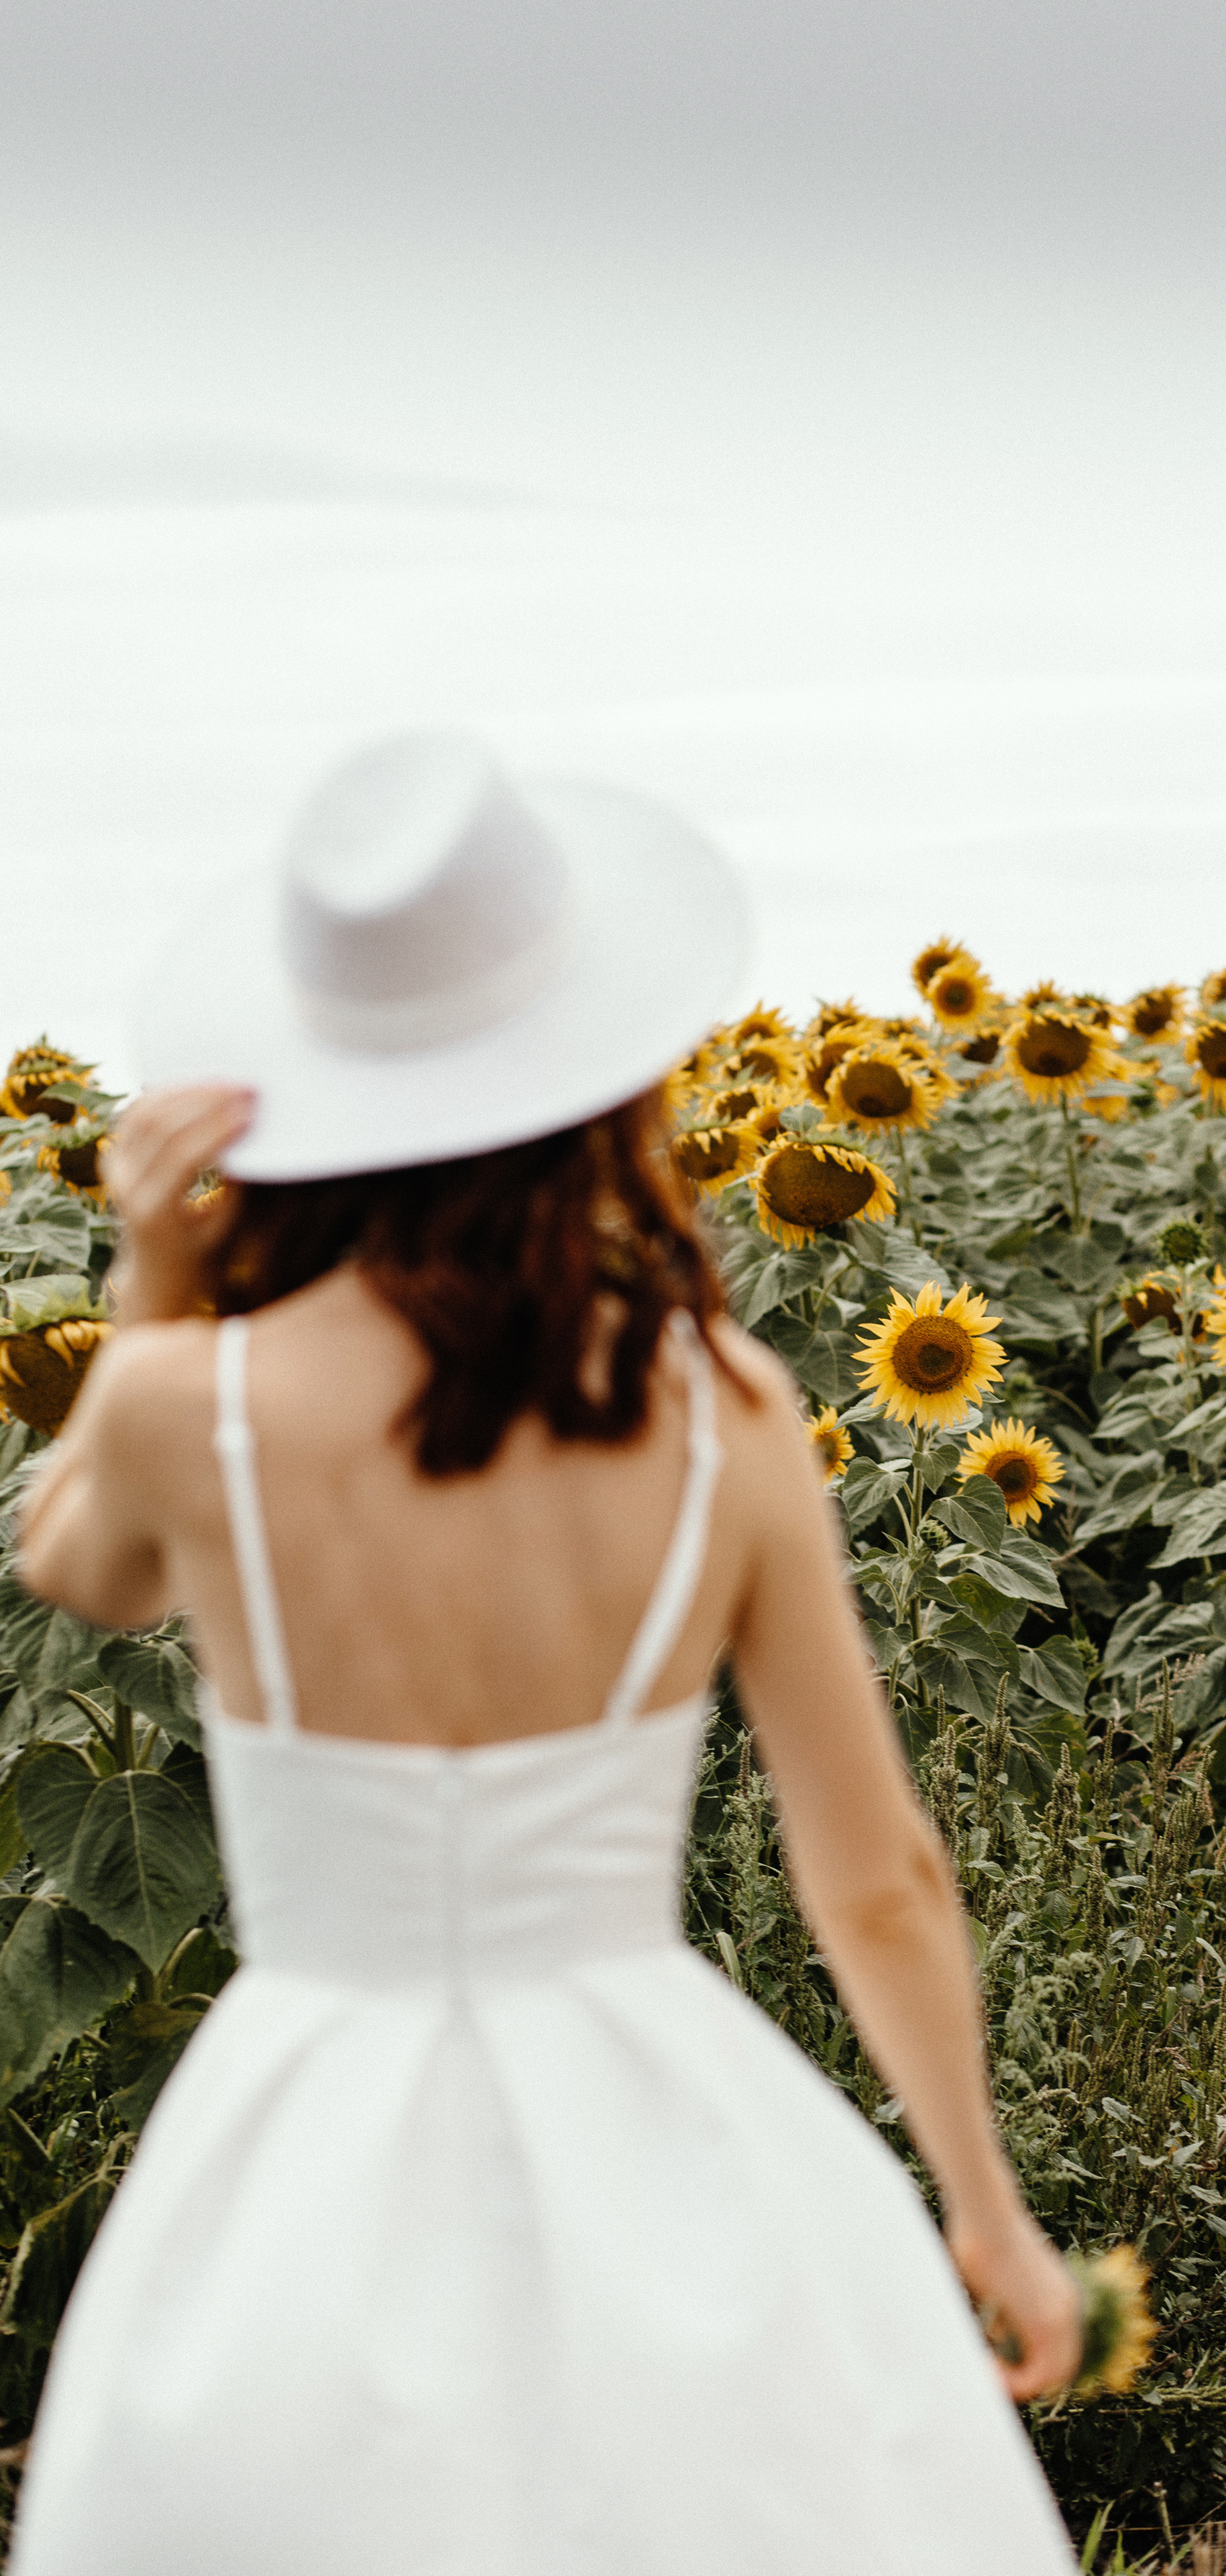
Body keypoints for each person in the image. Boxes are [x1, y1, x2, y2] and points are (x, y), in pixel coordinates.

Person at [7, 735, 1081, 2574]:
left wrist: (153, 1291)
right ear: (599, 1085)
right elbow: (879, 1877)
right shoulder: (717, 1409)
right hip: (645, 2093)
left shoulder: (198, 1409)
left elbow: (76, 1569)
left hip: (307, 2118)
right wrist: (982, 2209)